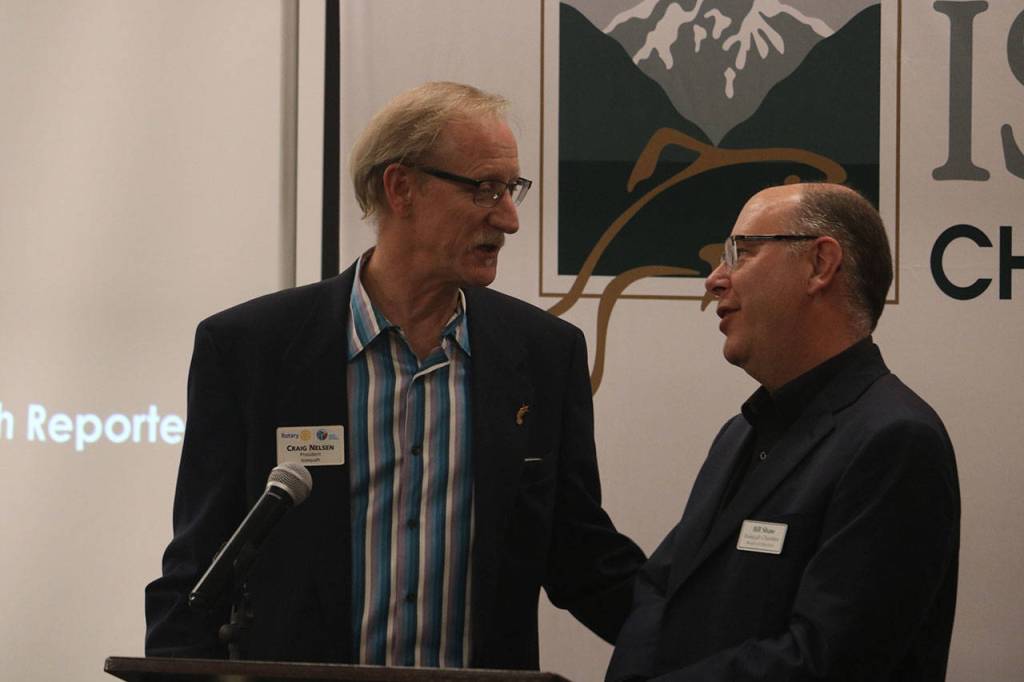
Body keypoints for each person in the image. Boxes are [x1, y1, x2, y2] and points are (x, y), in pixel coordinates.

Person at [145, 81, 644, 670]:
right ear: (401, 187)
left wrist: (726, 641)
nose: (508, 219)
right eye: (485, 189)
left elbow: (582, 555)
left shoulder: (544, 355)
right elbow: (202, 565)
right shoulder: (251, 350)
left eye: (511, 191)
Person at [606, 183, 960, 681]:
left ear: (820, 265)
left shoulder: (895, 440)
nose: (715, 280)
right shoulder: (738, 434)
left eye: (742, 254)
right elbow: (661, 591)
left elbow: (829, 659)